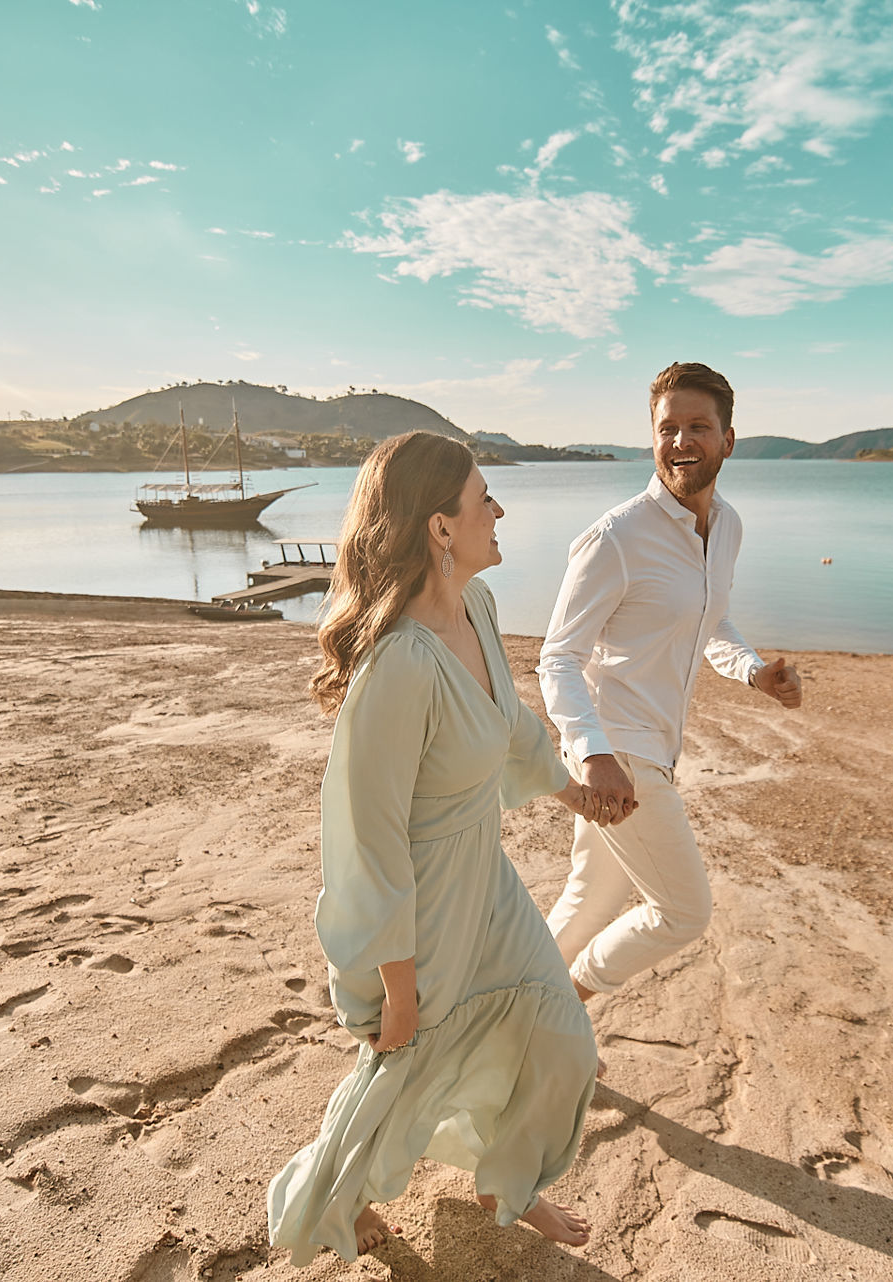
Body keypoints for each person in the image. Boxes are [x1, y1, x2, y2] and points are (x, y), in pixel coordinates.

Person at [269, 431, 599, 1265]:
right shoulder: (398, 668)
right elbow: (367, 838)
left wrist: (572, 790)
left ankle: (504, 1182)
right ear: (441, 529)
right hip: (417, 905)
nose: (498, 509)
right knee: (401, 1065)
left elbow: (509, 727)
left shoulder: (479, 609)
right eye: (483, 496)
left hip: (483, 879)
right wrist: (398, 982)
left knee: (561, 1036)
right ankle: (338, 1200)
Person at [538, 361, 803, 1010]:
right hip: (617, 753)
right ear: (651, 437)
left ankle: (514, 1018)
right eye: (668, 428)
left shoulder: (728, 527)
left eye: (697, 428)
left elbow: (710, 620)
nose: (681, 442)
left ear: (728, 440)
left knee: (589, 898)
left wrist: (753, 672)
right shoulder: (616, 537)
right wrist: (595, 756)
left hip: (651, 750)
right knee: (683, 912)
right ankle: (561, 1009)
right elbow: (558, 659)